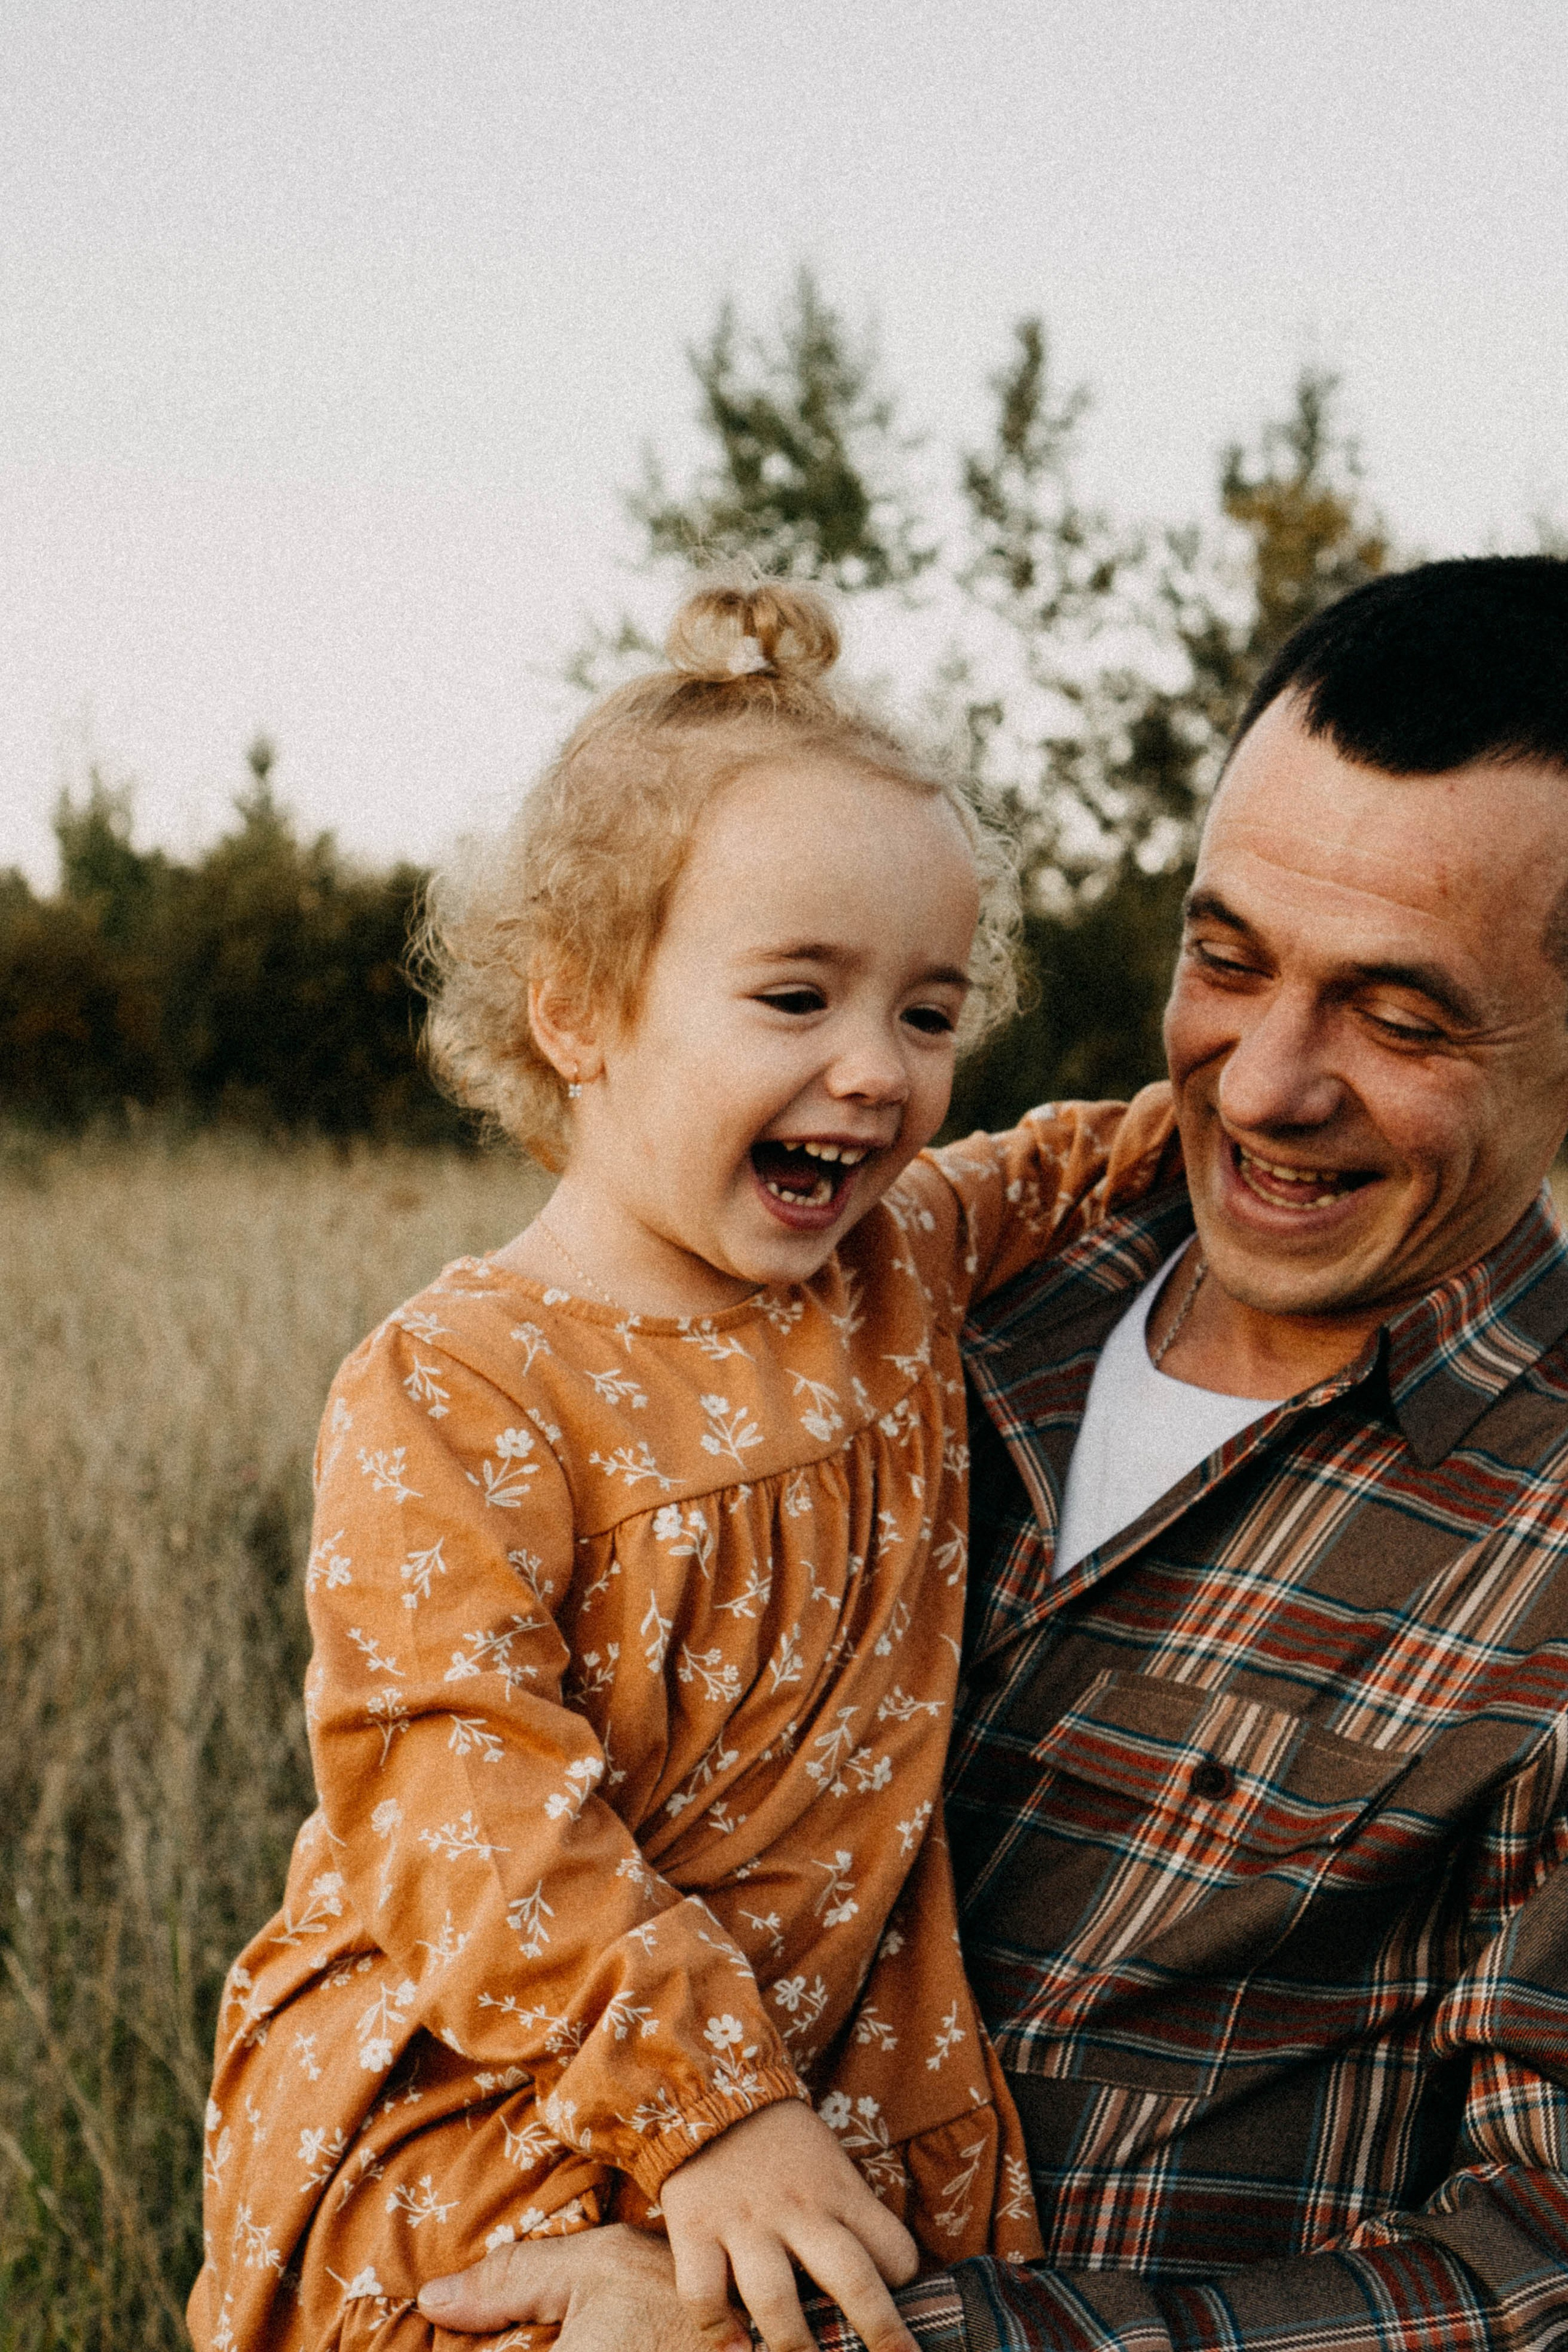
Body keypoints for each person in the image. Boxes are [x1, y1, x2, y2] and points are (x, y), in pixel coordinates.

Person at [418, 554, 1568, 2352]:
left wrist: (870, 2342)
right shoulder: (904, 1282)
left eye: (1403, 1017)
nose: (1263, 1083)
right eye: (1225, 959)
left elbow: (1536, 2271)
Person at [187, 581, 1180, 2352]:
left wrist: (1257, 1087)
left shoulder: (901, 1264)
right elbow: (453, 1790)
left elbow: (1084, 1160)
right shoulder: (464, 1380)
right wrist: (708, 2094)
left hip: (808, 2086)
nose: (873, 1072)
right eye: (796, 997)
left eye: (931, 1014)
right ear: (578, 1008)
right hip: (507, 2077)